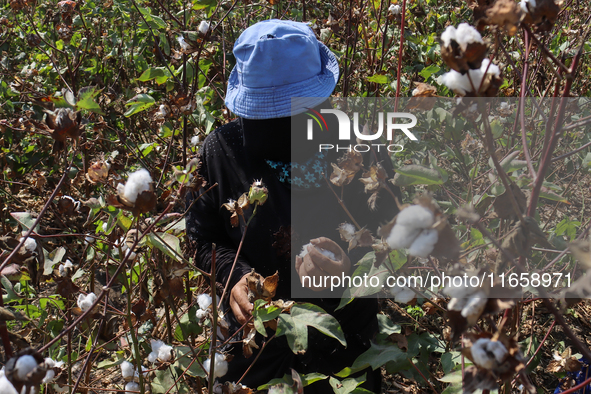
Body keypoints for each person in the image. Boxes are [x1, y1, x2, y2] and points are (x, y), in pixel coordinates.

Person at [186, 19, 400, 393]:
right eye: (269, 117)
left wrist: (353, 266)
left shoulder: (363, 151)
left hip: (343, 339)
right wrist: (234, 276)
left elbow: (395, 238)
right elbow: (201, 239)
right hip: (256, 342)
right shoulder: (221, 153)